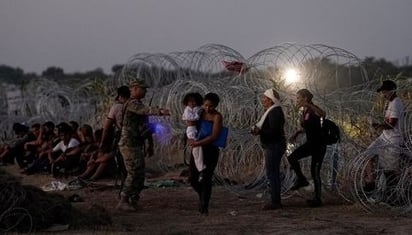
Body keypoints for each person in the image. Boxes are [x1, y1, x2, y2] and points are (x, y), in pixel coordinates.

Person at [116, 78, 170, 211]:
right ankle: (123, 200)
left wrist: (150, 144)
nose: (145, 91)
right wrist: (161, 111)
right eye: (143, 89)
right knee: (133, 172)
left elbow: (145, 126)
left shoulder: (137, 104)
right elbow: (145, 110)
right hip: (128, 143)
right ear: (134, 89)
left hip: (136, 142)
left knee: (140, 173)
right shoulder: (132, 104)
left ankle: (133, 199)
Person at [363, 80, 405, 202]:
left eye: (385, 92)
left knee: (390, 170)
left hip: (393, 140)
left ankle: (394, 198)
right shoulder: (390, 103)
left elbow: (392, 124)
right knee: (367, 154)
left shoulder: (396, 103)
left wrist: (376, 125)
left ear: (392, 91)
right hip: (384, 137)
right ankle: (370, 182)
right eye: (382, 92)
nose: (383, 94)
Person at [287, 89, 327, 207]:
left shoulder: (312, 108)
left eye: (299, 98)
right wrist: (297, 134)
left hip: (319, 144)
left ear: (305, 98)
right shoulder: (304, 111)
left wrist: (308, 105)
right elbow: (307, 127)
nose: (297, 100)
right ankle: (301, 179)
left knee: (315, 171)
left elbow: (323, 114)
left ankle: (317, 199)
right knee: (292, 156)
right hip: (311, 143)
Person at [251, 89, 286, 210]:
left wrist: (259, 131)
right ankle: (275, 200)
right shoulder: (273, 111)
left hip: (274, 145)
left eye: (265, 98)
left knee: (272, 173)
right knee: (272, 172)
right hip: (273, 145)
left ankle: (275, 201)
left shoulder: (274, 112)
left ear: (271, 100)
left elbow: (274, 132)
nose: (263, 100)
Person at [188, 92, 223, 215]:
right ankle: (202, 194)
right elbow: (191, 126)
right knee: (192, 178)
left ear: (216, 106)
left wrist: (198, 143)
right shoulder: (200, 113)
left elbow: (214, 136)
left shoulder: (217, 117)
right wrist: (191, 139)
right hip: (198, 150)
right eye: (206, 105)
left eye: (211, 106)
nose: (208, 108)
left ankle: (204, 205)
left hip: (210, 150)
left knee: (206, 178)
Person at [182, 92, 205, 181]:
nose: (192, 103)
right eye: (190, 101)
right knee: (196, 147)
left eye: (194, 101)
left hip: (198, 129)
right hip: (191, 130)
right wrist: (198, 115)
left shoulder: (198, 108)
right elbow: (191, 119)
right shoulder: (187, 109)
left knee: (198, 148)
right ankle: (201, 168)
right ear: (187, 102)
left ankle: (200, 169)